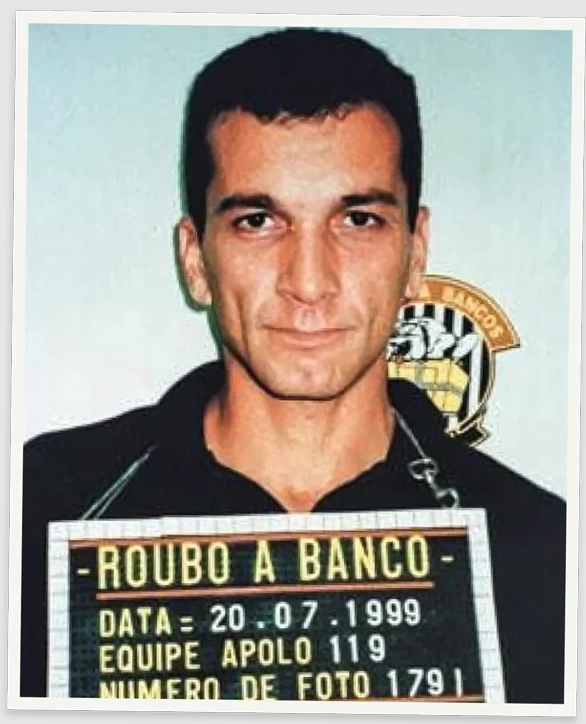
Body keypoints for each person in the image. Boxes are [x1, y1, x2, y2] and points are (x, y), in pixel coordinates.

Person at [21, 28, 565, 703]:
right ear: (195, 260)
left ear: (415, 252)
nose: (309, 283)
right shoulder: (38, 509)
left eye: (358, 220)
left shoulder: (542, 549)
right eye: (258, 221)